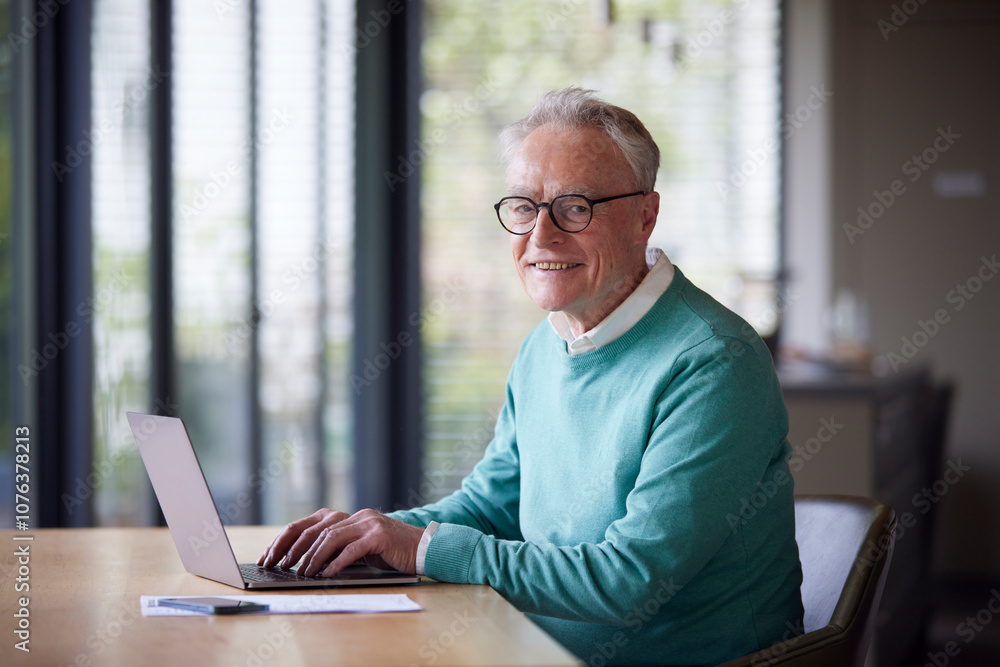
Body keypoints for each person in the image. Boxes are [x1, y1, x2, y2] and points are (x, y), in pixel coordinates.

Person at [259, 88, 804, 666]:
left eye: (575, 207)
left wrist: (421, 548)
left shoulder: (714, 361)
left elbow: (633, 579)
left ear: (645, 216)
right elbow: (491, 506)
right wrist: (372, 534)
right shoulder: (545, 346)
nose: (541, 236)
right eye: (523, 206)